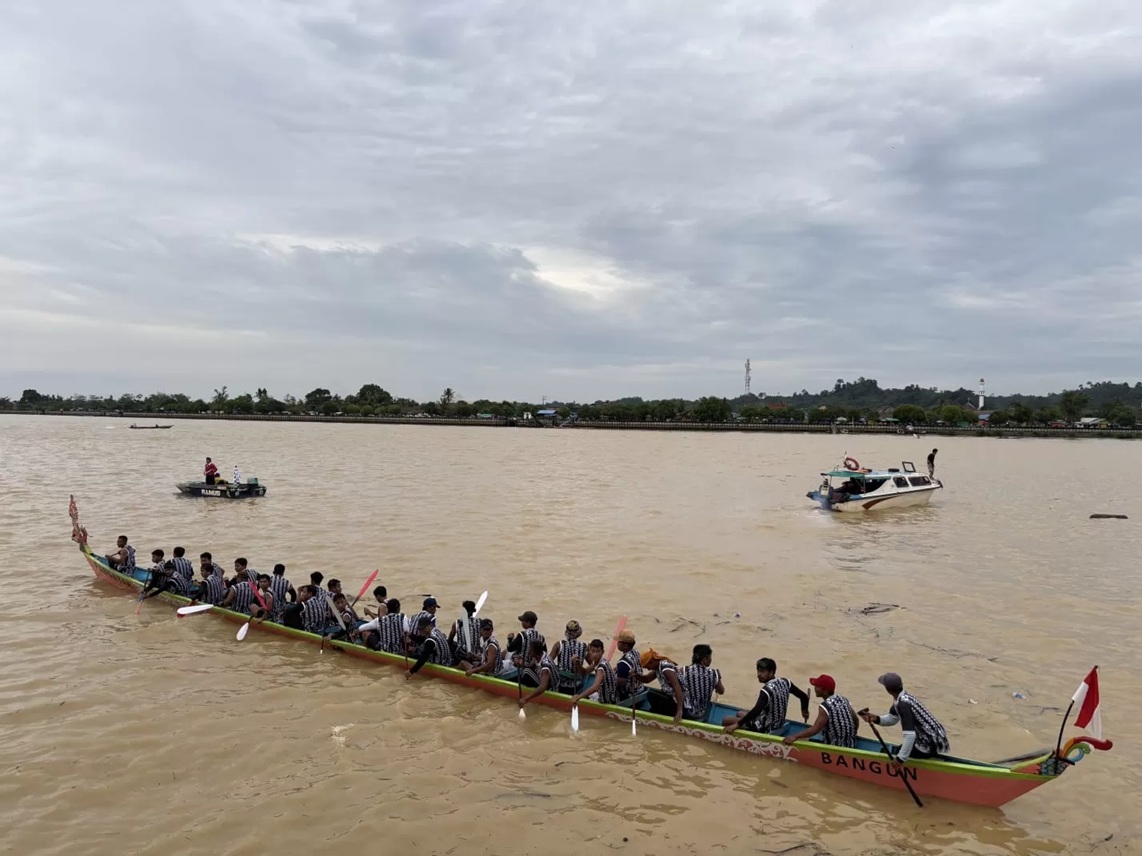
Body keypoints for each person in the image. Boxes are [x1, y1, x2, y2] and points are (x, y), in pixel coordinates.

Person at [859, 672, 950, 765]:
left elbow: (910, 735)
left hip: (930, 744)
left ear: (888, 690)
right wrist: (876, 719)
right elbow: (893, 718)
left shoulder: (903, 705)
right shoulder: (904, 697)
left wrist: (900, 759)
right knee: (902, 749)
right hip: (937, 740)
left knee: (897, 752)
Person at [723, 658, 811, 736]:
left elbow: (756, 711)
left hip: (765, 728)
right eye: (758, 671)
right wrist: (805, 711)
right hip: (779, 724)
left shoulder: (766, 691)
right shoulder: (786, 682)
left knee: (726, 720)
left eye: (762, 672)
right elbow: (804, 697)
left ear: (771, 672)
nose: (758, 674)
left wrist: (736, 725)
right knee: (739, 713)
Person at [783, 675, 859, 748]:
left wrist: (794, 736)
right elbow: (856, 720)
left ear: (825, 692)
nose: (815, 688)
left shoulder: (825, 706)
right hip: (851, 743)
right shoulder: (843, 699)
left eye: (817, 687)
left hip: (835, 746)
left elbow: (815, 729)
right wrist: (852, 734)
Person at [678, 644, 725, 724]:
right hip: (703, 714)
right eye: (710, 657)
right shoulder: (714, 673)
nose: (711, 659)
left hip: (687, 713)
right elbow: (721, 691)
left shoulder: (684, 670)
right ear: (705, 660)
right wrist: (718, 679)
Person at [637, 648, 685, 723]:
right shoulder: (658, 667)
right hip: (670, 696)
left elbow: (677, 688)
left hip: (678, 701)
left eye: (648, 667)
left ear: (652, 662)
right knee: (651, 694)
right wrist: (636, 675)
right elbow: (647, 679)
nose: (648, 669)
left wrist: (679, 710)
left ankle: (665, 714)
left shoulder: (665, 668)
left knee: (650, 695)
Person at [570, 639, 619, 706]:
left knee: (586, 696)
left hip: (607, 700)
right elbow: (584, 672)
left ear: (602, 652)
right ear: (589, 651)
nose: (595, 654)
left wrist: (578, 697)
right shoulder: (597, 662)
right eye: (593, 651)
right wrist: (577, 663)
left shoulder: (601, 667)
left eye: (598, 651)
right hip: (609, 695)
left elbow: (595, 687)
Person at [518, 640, 560, 708]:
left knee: (526, 672)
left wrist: (526, 698)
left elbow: (543, 687)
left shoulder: (545, 665)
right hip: (543, 680)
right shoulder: (538, 656)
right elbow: (529, 666)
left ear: (533, 652)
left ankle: (531, 690)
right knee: (526, 670)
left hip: (551, 688)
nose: (528, 651)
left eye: (530, 649)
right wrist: (521, 664)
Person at [550, 620, 588, 694]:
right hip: (576, 685)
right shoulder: (584, 646)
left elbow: (549, 662)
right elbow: (592, 664)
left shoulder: (559, 644)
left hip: (560, 683)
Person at [612, 629, 643, 701]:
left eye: (619, 642)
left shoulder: (623, 663)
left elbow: (620, 683)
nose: (617, 643)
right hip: (639, 688)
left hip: (630, 694)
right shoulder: (636, 653)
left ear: (625, 645)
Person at [448, 600, 482, 665]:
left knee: (451, 643)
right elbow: (479, 636)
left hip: (463, 655)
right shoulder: (479, 622)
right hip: (476, 653)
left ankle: (452, 660)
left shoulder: (457, 623)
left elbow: (450, 640)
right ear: (474, 610)